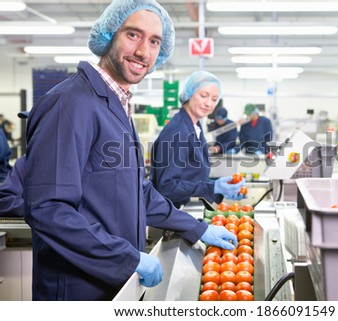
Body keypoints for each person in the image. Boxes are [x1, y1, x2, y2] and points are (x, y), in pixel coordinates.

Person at [23, 0, 237, 301]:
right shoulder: (70, 104)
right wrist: (126, 258)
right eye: (133, 35)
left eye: (154, 41)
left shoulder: (115, 106)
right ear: (109, 34)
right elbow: (49, 209)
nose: (143, 51)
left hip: (114, 284)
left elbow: (140, 192)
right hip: (76, 290)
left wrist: (196, 228)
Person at [150, 70, 245, 208]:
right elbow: (168, 187)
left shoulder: (195, 126)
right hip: (170, 212)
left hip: (181, 207)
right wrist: (212, 188)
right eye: (203, 95)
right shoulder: (178, 131)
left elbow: (190, 178)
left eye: (214, 99)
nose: (208, 103)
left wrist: (220, 190)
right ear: (189, 94)